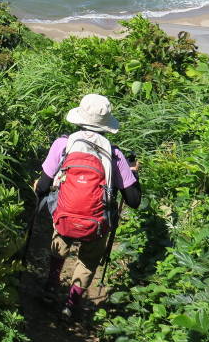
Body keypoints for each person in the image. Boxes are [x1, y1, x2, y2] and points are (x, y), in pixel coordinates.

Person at [34, 93, 141, 319]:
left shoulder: (63, 144)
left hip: (64, 215)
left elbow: (43, 186)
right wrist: (133, 174)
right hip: (97, 222)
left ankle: (51, 286)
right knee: (89, 260)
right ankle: (70, 304)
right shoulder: (115, 154)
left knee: (60, 244)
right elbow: (134, 200)